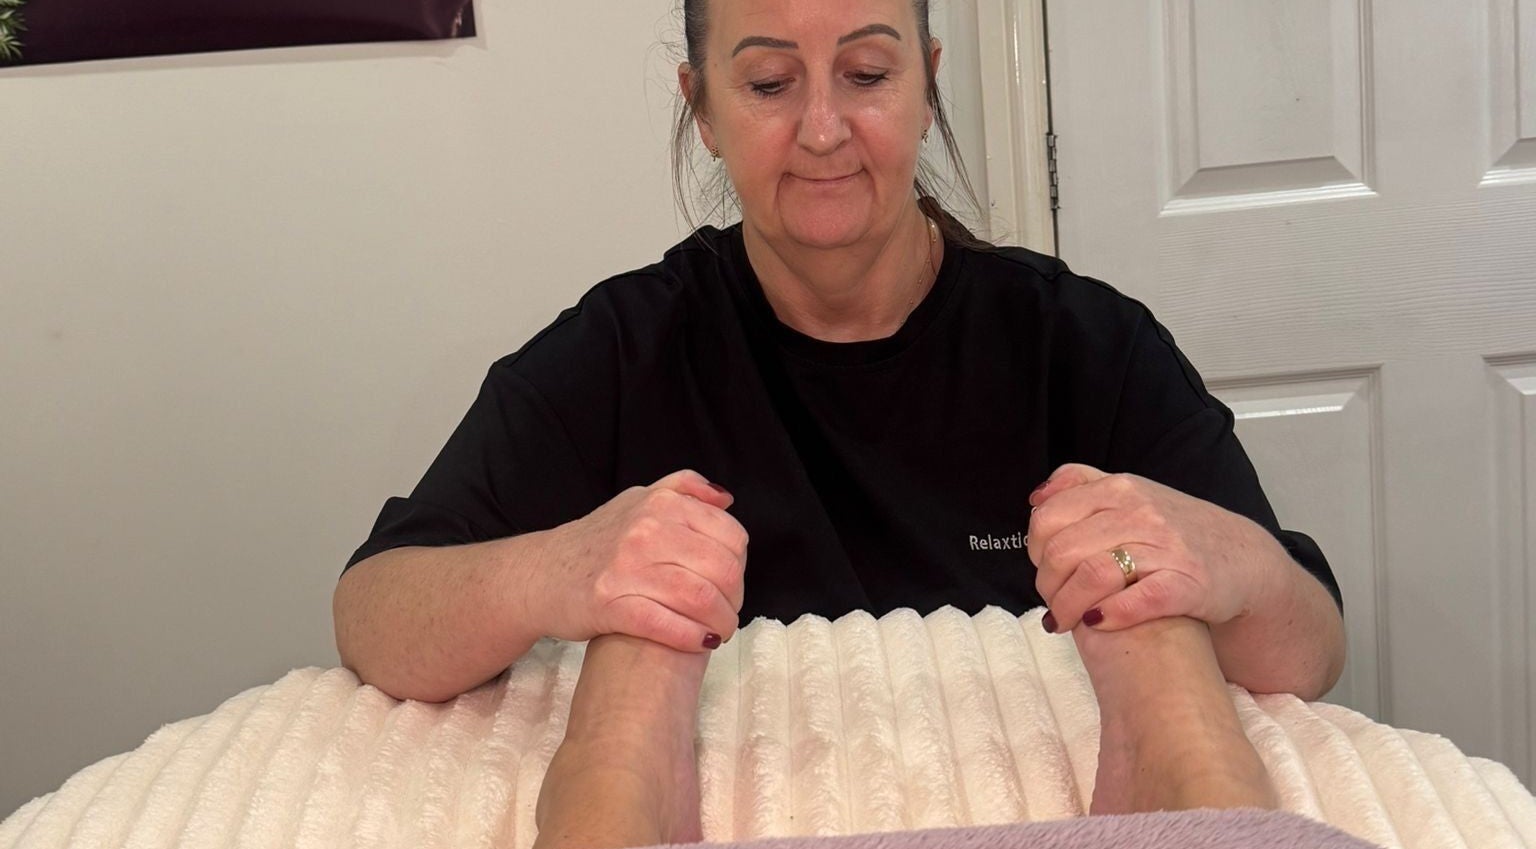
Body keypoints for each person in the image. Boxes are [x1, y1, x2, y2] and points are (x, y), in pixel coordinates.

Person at [332, 0, 1347, 843]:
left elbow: (1310, 647)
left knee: (1150, 614)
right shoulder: (624, 349)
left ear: (926, 83)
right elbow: (375, 612)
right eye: (770, 85)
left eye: (866, 75)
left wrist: (1214, 560)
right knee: (640, 637)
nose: (823, 130)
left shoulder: (1081, 344)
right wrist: (560, 573)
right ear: (704, 110)